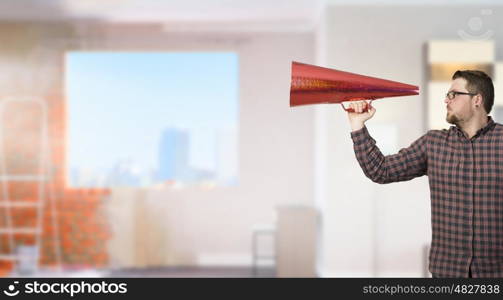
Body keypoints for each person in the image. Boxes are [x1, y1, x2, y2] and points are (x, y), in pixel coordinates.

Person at [347, 70, 502, 278]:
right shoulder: (433, 143)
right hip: (446, 273)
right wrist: (357, 124)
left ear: (477, 100)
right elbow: (380, 170)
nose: (446, 100)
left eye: (454, 94)